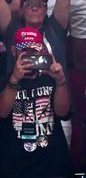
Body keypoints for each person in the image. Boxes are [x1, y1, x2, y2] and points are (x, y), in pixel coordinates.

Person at [0, 27, 72, 177]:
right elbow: (2, 112)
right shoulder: (5, 81)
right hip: (15, 166)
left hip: (52, 164)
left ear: (42, 51)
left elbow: (63, 112)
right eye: (24, 50)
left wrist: (60, 81)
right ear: (14, 51)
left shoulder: (52, 78)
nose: (29, 54)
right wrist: (14, 80)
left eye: (34, 49)